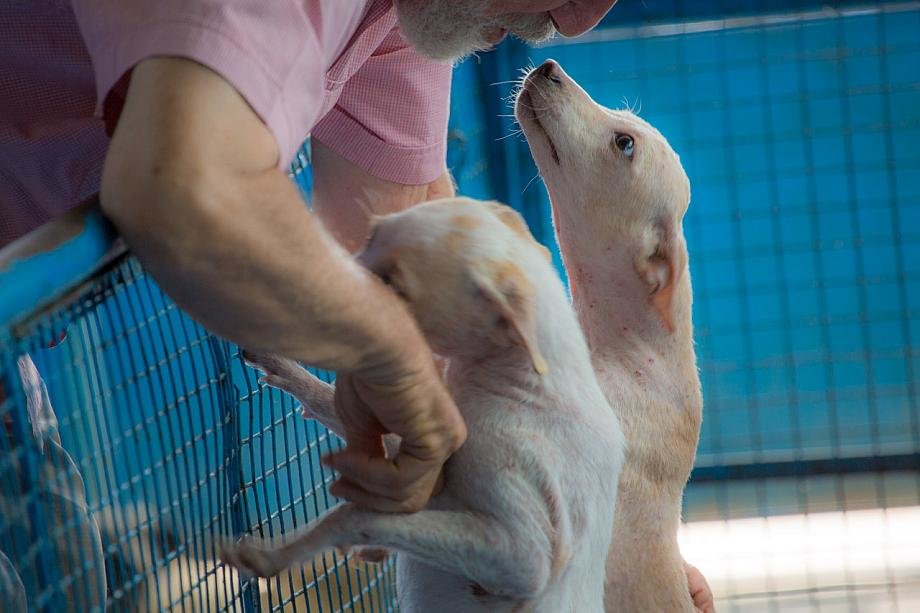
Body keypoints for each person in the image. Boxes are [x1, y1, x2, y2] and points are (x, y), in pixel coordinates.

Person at [1, 1, 713, 610]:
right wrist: (390, 356)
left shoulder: (412, 18)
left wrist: (631, 548)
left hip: (15, 353)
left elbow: (404, 227)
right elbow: (183, 184)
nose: (577, 21)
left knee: (68, 574)